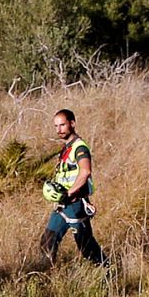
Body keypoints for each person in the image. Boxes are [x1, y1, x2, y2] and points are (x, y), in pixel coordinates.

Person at [39, 109, 105, 265]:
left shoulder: (80, 147)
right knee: (47, 242)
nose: (59, 130)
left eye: (62, 125)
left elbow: (85, 172)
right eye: (56, 126)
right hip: (64, 203)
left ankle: (110, 273)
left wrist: (68, 192)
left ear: (72, 124)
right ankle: (47, 278)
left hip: (75, 204)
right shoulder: (67, 147)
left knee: (87, 248)